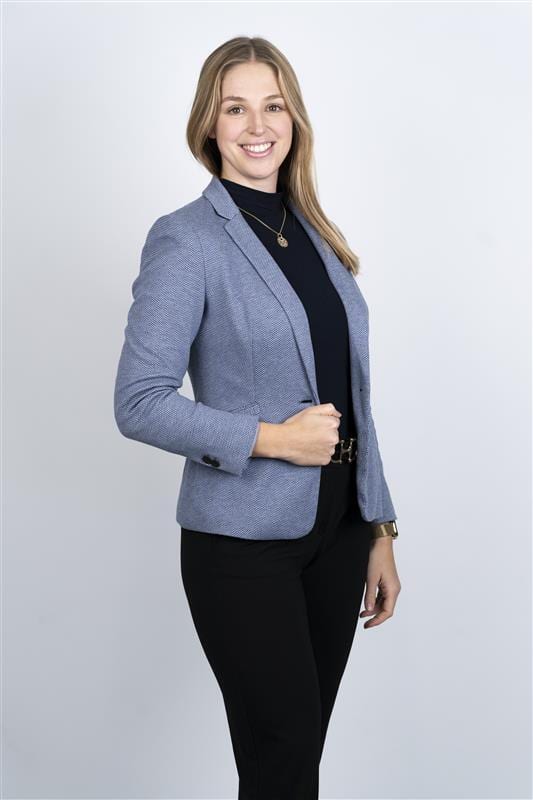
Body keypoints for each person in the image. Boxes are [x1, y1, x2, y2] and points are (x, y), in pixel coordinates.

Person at [114, 35, 402, 800]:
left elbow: (356, 395)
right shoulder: (186, 239)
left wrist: (377, 528)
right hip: (241, 547)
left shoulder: (314, 233)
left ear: (295, 118)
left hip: (337, 535)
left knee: (294, 762)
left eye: (272, 105)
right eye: (234, 107)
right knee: (282, 757)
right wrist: (274, 439)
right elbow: (138, 401)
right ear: (209, 123)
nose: (256, 125)